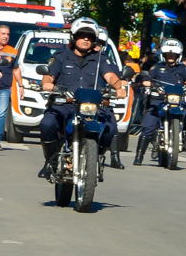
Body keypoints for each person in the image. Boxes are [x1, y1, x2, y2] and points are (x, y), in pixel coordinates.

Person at [37, 19, 125, 176]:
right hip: (65, 104)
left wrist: (118, 87)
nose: (86, 39)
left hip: (92, 107)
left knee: (110, 129)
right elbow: (49, 76)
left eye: (89, 37)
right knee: (47, 123)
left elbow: (110, 75)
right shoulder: (61, 56)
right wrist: (47, 84)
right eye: (82, 35)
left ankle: (96, 157)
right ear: (73, 37)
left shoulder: (101, 58)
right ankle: (51, 161)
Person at [135, 38, 186, 164]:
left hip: (177, 100)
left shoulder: (182, 68)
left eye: (173, 54)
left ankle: (185, 136)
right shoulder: (157, 67)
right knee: (149, 124)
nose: (171, 56)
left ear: (178, 55)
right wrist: (146, 81)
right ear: (163, 55)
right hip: (160, 100)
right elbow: (147, 77)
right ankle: (139, 156)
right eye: (168, 54)